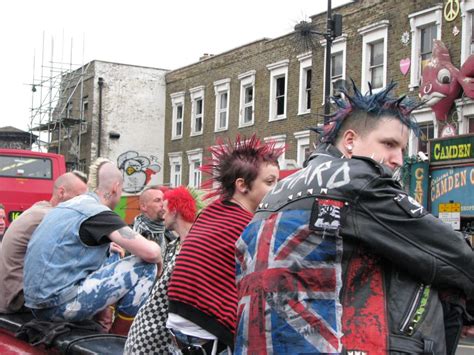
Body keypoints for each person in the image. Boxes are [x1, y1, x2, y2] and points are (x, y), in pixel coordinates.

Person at [234, 83, 474, 354]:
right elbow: (452, 254)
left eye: (403, 149)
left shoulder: (274, 194)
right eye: (389, 144)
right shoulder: (361, 179)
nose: (398, 159)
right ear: (351, 141)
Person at [166, 135, 284, 354]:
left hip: (181, 314)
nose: (276, 189)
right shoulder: (247, 224)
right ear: (242, 185)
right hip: (208, 323)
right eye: (269, 182)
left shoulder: (213, 212)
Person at [23, 158, 162, 335]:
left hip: (36, 303)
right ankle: (118, 339)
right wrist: (158, 257)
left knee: (112, 253)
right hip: (57, 305)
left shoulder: (67, 206)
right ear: (115, 187)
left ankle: (103, 324)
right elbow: (150, 252)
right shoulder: (97, 212)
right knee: (145, 266)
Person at [0, 171, 88, 314]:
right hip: (18, 298)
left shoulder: (41, 209)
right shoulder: (51, 217)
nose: (83, 203)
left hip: (12, 293)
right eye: (79, 197)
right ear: (61, 193)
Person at [125, 186, 199, 354]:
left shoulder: (195, 245)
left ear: (175, 210)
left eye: (165, 208)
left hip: (166, 330)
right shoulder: (174, 245)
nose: (162, 213)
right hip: (150, 330)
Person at [132, 186, 175, 261]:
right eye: (157, 200)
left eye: (163, 200)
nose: (163, 204)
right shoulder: (130, 234)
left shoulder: (170, 235)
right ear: (143, 206)